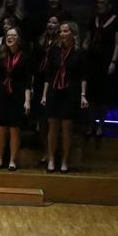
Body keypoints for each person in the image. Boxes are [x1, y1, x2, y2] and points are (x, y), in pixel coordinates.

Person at [41, 20, 88, 173]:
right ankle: (52, 158)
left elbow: (83, 76)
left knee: (67, 127)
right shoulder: (54, 51)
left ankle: (65, 161)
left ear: (73, 34)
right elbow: (49, 75)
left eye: (65, 31)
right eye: (60, 31)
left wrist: (83, 95)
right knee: (52, 125)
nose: (62, 34)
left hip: (71, 92)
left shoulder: (79, 53)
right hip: (54, 91)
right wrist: (44, 95)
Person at [0, 26, 32, 171]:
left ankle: (12, 160)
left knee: (14, 129)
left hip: (17, 95)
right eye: (8, 35)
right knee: (0, 128)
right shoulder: (0, 55)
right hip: (0, 95)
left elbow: (27, 81)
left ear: (19, 39)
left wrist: (27, 101)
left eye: (13, 35)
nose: (9, 37)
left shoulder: (25, 57)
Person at [84, 0, 118, 139]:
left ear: (109, 5)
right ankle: (91, 124)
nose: (99, 5)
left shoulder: (116, 21)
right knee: (91, 96)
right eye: (98, 2)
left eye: (102, 3)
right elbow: (87, 39)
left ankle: (101, 124)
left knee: (103, 96)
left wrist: (113, 62)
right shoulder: (93, 20)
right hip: (92, 61)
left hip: (106, 62)